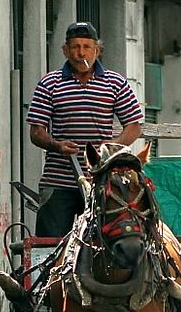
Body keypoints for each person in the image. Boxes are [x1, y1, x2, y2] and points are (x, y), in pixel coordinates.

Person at [26, 21, 143, 237]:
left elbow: (134, 127)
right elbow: (36, 131)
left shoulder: (115, 83)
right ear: (65, 50)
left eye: (87, 47)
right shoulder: (49, 84)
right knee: (49, 244)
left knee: (105, 242)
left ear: (97, 50)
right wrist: (56, 145)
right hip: (57, 180)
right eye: (75, 47)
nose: (81, 54)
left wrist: (108, 151)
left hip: (101, 180)